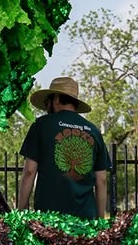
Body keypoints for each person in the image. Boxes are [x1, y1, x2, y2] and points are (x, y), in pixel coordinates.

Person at [17, 76, 110, 219]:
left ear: (56, 99)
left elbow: (29, 172)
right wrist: (99, 219)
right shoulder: (94, 131)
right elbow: (102, 180)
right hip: (85, 220)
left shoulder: (41, 125)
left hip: (49, 219)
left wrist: (21, 212)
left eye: (48, 100)